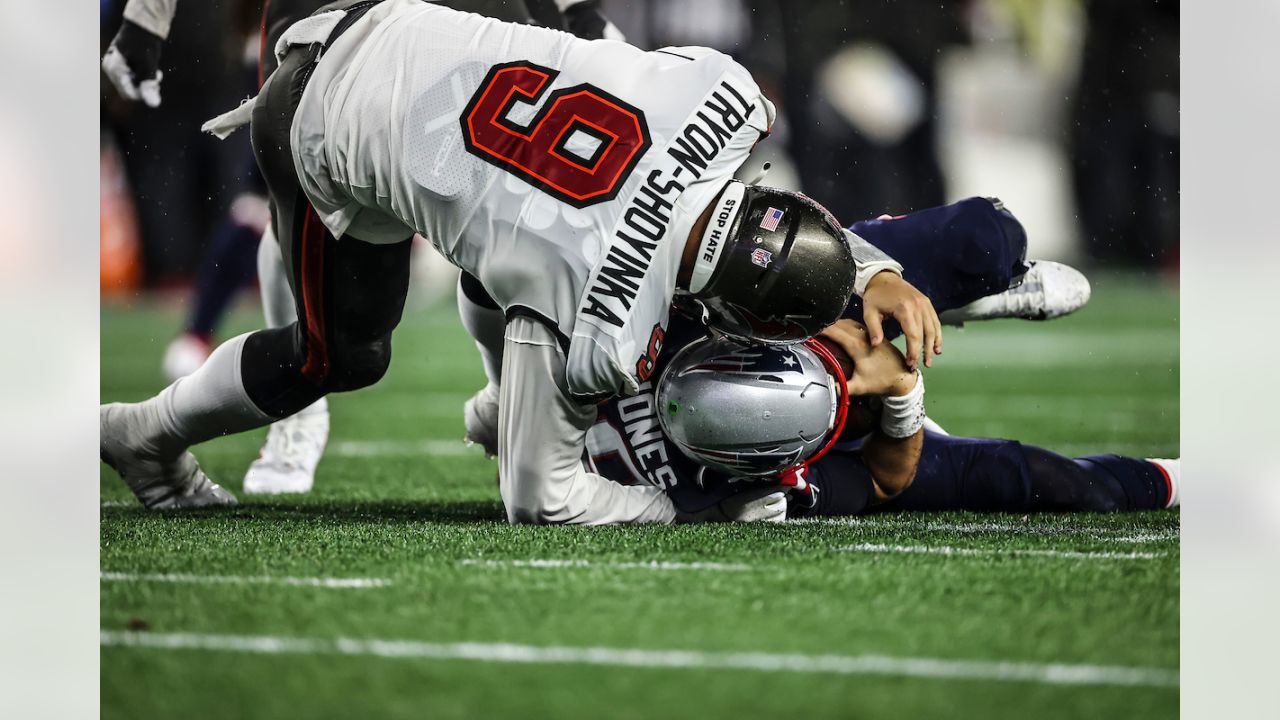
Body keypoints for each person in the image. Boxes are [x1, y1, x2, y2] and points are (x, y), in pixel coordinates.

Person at [100, 0, 940, 523]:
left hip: (391, 23)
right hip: (318, 113)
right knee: (340, 354)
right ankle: (143, 438)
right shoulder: (594, 314)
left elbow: (761, 216)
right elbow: (542, 499)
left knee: (496, 250)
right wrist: (688, 504)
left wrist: (871, 272)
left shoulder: (724, 92)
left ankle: (506, 398)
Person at [100, 0, 636, 494]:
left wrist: (577, 12)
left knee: (527, 222)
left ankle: (509, 400)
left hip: (474, 40)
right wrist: (145, 21)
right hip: (340, 49)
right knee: (337, 349)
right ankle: (237, 421)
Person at [539, 199, 1176, 520]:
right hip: (879, 425)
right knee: (1069, 489)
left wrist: (873, 279)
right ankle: (1180, 478)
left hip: (810, 304)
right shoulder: (749, 493)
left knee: (986, 236)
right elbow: (882, 480)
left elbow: (752, 219)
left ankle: (953, 299)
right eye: (845, 405)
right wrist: (899, 397)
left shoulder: (654, 322)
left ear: (742, 350)